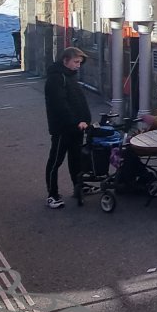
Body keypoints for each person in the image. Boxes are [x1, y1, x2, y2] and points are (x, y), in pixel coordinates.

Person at [43, 47, 96, 209]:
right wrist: (75, 122)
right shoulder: (56, 78)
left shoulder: (70, 76)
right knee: (55, 161)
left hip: (76, 128)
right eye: (76, 62)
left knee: (76, 159)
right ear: (65, 60)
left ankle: (78, 187)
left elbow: (78, 101)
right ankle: (52, 194)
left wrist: (85, 120)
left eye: (80, 62)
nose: (78, 65)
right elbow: (60, 105)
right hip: (62, 129)